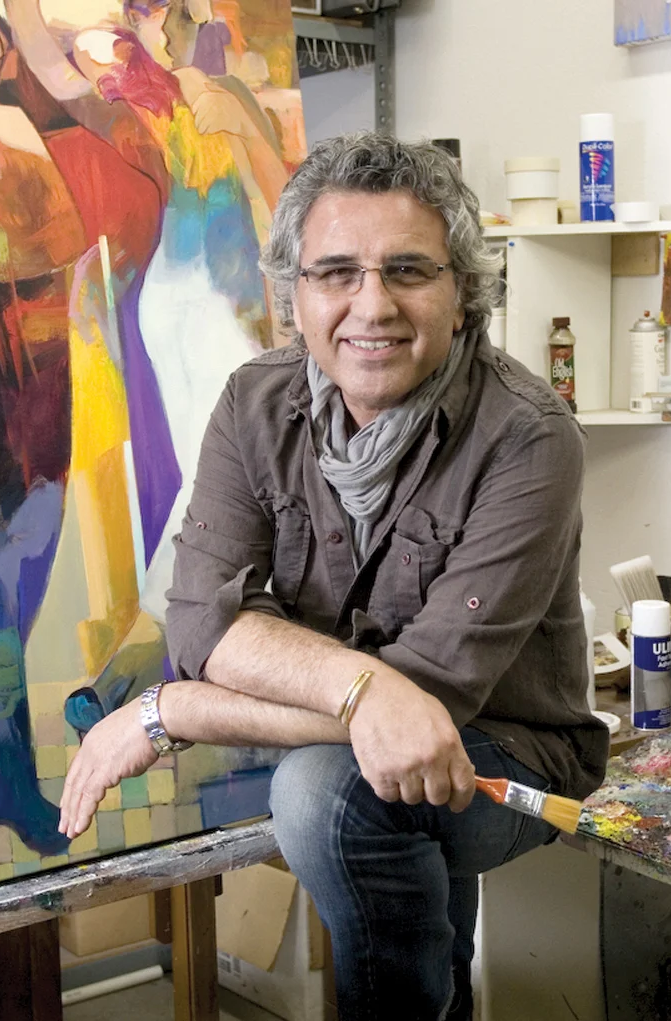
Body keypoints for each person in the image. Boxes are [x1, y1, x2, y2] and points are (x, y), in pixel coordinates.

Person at [58, 132, 609, 1021]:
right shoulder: (254, 402)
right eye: (336, 272)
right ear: (295, 294)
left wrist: (176, 709)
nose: (372, 305)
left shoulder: (528, 436)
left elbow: (428, 699)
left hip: (514, 753)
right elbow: (204, 623)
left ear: (462, 293)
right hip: (356, 734)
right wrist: (363, 692)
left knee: (326, 792)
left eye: (409, 270)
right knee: (353, 778)